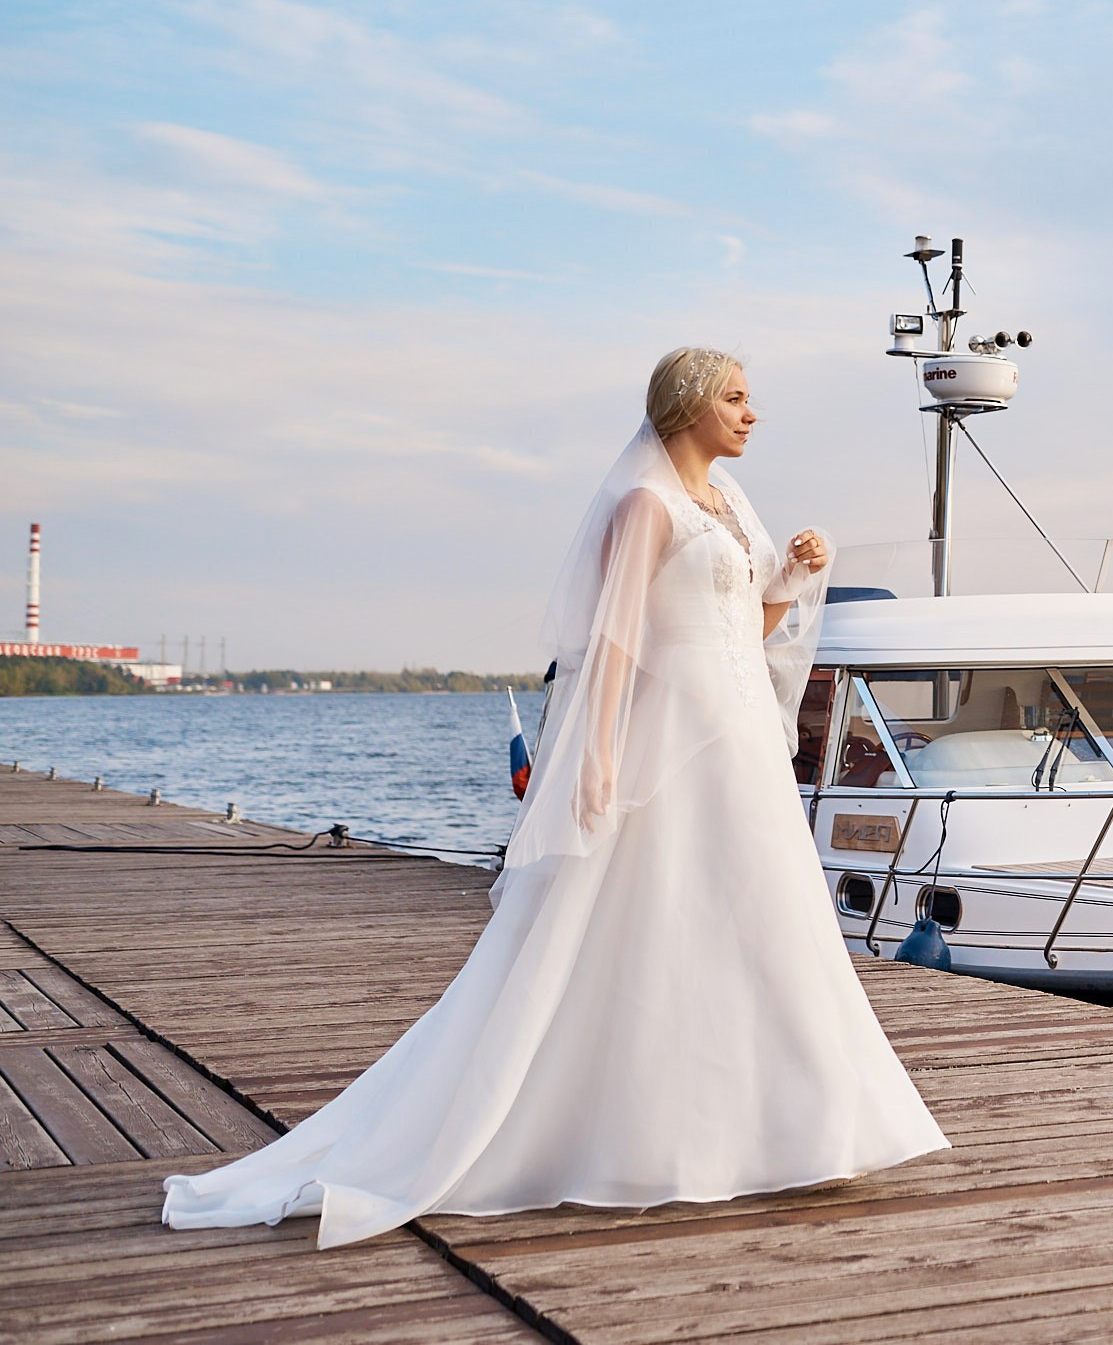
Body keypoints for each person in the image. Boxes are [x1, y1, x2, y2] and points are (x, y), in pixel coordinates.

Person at [163, 348, 948, 1248]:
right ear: (689, 406)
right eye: (733, 398)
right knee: (649, 920)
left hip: (736, 745)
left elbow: (742, 629)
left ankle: (803, 1126)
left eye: (748, 398)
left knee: (759, 920)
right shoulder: (643, 506)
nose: (750, 412)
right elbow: (615, 643)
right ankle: (639, 1134)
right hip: (671, 742)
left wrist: (792, 578)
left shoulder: (727, 509)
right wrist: (598, 756)